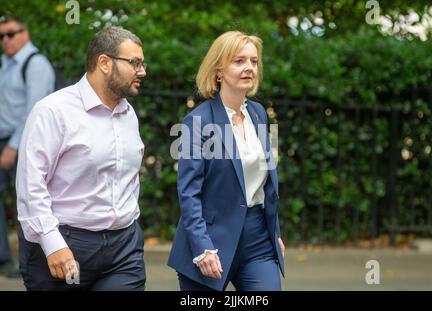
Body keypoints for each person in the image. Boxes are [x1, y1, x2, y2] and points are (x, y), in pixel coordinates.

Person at [16, 26, 147, 290]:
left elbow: (128, 179)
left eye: (142, 63)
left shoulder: (128, 113)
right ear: (104, 63)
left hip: (124, 250)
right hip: (65, 244)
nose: (142, 71)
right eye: (135, 63)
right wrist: (52, 243)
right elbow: (31, 183)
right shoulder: (53, 111)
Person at [168, 30, 285, 291]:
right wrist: (202, 247)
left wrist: (273, 232)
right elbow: (189, 193)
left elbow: (266, 182)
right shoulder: (196, 122)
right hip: (210, 240)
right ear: (219, 71)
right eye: (239, 61)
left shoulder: (258, 114)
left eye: (254, 61)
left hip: (257, 241)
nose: (249, 68)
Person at [0, 16, 55, 278]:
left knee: (30, 202)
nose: (5, 40)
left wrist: (13, 147)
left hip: (23, 143)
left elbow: (36, 112)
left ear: (25, 32)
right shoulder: (6, 64)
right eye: (1, 36)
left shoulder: (36, 64)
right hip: (5, 139)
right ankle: (4, 258)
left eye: (10, 34)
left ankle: (32, 263)